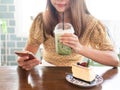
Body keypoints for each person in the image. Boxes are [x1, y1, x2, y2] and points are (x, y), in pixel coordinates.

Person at [17, 0, 119, 70]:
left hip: (76, 73)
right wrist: (25, 61)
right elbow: (28, 54)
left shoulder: (91, 23)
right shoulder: (41, 19)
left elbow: (114, 60)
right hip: (46, 72)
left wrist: (80, 48)